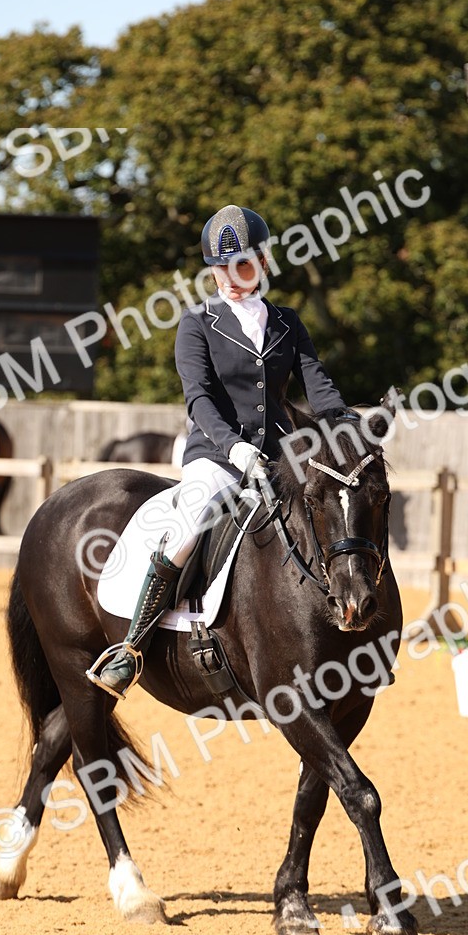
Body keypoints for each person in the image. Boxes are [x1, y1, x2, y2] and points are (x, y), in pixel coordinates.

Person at [87, 204, 349, 697]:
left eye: (241, 264)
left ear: (263, 262)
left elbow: (317, 384)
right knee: (190, 522)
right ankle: (132, 647)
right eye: (219, 268)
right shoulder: (197, 323)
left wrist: (345, 420)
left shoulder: (287, 323)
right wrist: (234, 448)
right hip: (216, 456)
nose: (229, 277)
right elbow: (199, 399)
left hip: (280, 458)